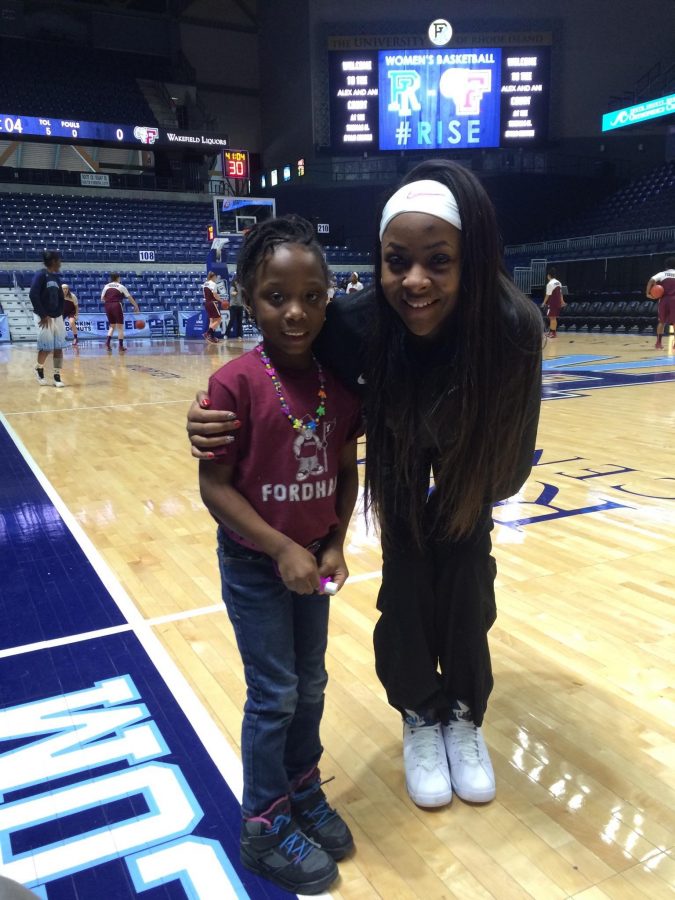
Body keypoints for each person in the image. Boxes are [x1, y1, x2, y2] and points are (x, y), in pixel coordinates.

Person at [187, 159, 542, 812]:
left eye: (438, 261)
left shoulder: (511, 327)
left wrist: (462, 496)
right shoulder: (353, 325)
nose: (414, 281)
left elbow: (510, 468)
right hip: (398, 462)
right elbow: (282, 363)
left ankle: (462, 712)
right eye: (394, 260)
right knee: (405, 579)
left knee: (465, 579)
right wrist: (215, 416)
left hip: (475, 465)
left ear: (471, 259)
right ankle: (417, 710)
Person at [198, 215, 361, 894]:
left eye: (311, 296)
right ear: (245, 295)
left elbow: (346, 469)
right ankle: (262, 823)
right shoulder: (233, 384)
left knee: (313, 683)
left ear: (328, 295)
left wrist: (333, 542)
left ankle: (299, 788)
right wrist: (281, 547)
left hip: (312, 563)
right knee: (275, 694)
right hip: (256, 566)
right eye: (275, 296)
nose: (295, 312)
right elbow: (213, 487)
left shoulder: (339, 382)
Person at [28, 249, 66, 388]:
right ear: (54, 261)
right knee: (46, 348)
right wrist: (43, 314)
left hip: (57, 317)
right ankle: (39, 369)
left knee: (59, 347)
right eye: (59, 260)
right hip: (44, 317)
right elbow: (33, 295)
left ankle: (57, 375)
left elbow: (61, 298)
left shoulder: (56, 278)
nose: (60, 263)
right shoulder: (40, 275)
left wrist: (60, 313)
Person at [101, 273, 139, 352]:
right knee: (120, 327)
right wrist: (136, 306)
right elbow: (130, 298)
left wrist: (109, 300)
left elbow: (102, 299)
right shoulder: (121, 286)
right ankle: (121, 346)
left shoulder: (106, 286)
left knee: (112, 326)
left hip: (107, 305)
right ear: (118, 278)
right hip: (116, 305)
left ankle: (107, 343)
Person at [645, 256, 675, 350]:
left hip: (664, 300)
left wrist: (648, 293)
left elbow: (651, 280)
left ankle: (658, 343)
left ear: (666, 266)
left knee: (661, 322)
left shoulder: (662, 274)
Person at [203, 270, 228, 343]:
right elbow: (215, 295)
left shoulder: (205, 284)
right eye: (215, 277)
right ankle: (208, 333)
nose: (216, 278)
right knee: (219, 319)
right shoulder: (213, 284)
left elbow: (205, 295)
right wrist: (222, 300)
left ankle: (211, 337)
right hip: (212, 303)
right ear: (213, 277)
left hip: (206, 303)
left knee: (212, 320)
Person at [541, 267, 566, 338]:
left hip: (552, 303)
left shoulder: (550, 284)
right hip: (557, 303)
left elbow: (547, 295)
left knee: (552, 318)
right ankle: (552, 332)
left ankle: (552, 333)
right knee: (553, 318)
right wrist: (562, 301)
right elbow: (561, 294)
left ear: (549, 276)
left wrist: (543, 302)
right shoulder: (559, 282)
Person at [225, 274, 244, 340]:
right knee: (231, 321)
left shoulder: (241, 286)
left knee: (240, 321)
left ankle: (240, 335)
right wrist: (235, 292)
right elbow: (231, 293)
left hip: (240, 306)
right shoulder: (233, 286)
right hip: (233, 306)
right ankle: (226, 334)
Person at [62, 282, 79, 348]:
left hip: (71, 311)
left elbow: (77, 306)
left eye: (66, 288)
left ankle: (75, 338)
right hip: (62, 312)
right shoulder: (59, 296)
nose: (65, 290)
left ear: (68, 289)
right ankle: (61, 338)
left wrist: (77, 315)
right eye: (63, 289)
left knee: (72, 322)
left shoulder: (72, 296)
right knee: (59, 325)